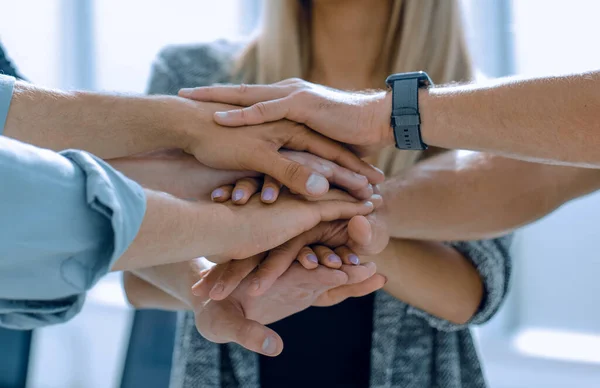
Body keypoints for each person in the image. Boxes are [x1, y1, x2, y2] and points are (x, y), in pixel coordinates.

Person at [132, 1, 511, 387]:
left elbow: (474, 291)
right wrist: (236, 245)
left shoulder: (466, 108)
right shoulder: (195, 74)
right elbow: (137, 271)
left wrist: (325, 224)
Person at [0, 41, 382, 329]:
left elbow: (33, 159)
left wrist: (200, 281)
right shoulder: (193, 63)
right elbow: (29, 189)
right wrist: (222, 226)